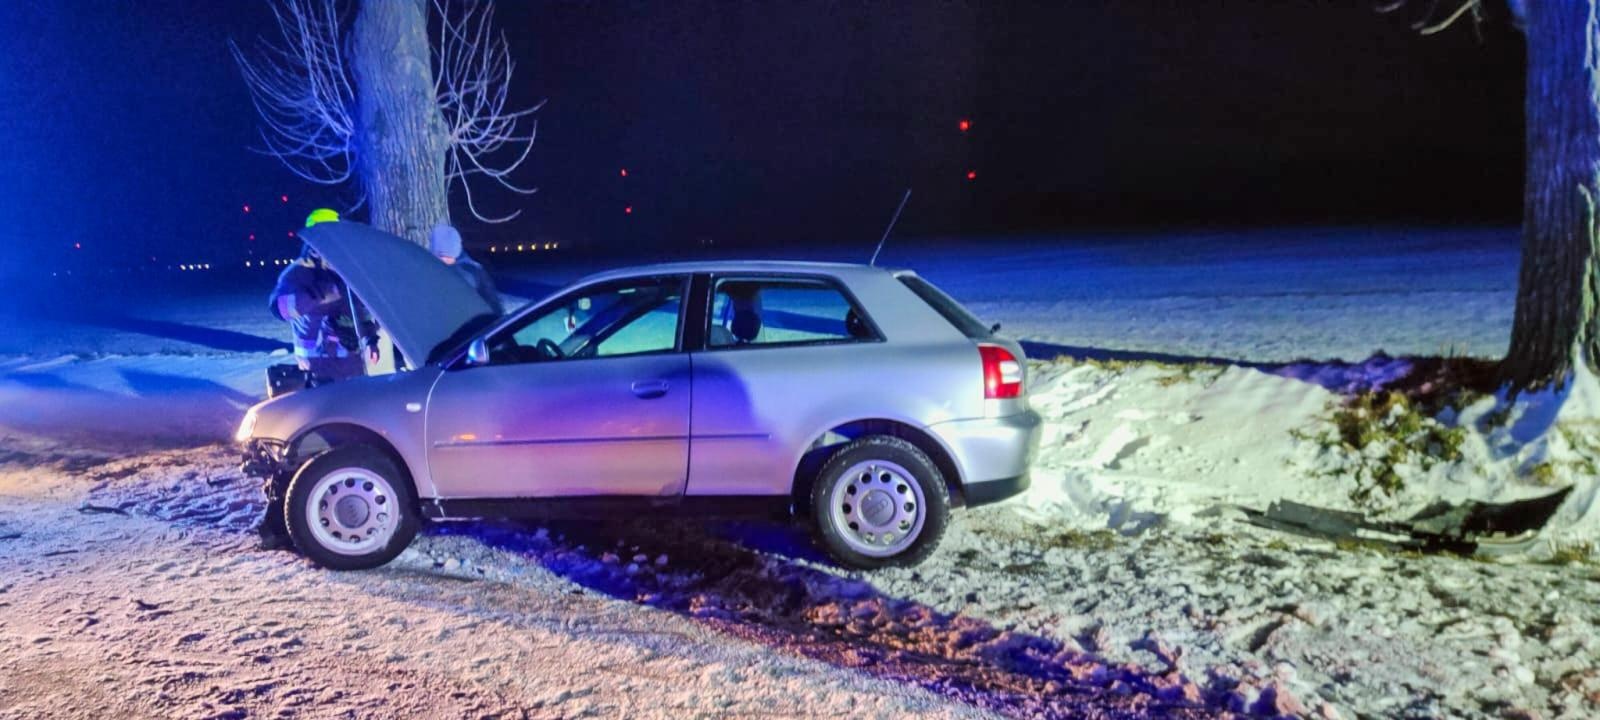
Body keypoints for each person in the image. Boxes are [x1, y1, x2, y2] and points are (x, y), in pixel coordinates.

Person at [268, 209, 381, 383]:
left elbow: (360, 309)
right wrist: (319, 294)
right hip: (317, 367)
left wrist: (370, 339)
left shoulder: (345, 270)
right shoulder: (298, 273)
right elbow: (280, 309)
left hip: (352, 363)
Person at [430, 223, 505, 315]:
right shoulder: (430, 270)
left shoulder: (471, 272)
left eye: (446, 256)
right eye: (441, 256)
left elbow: (494, 306)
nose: (444, 260)